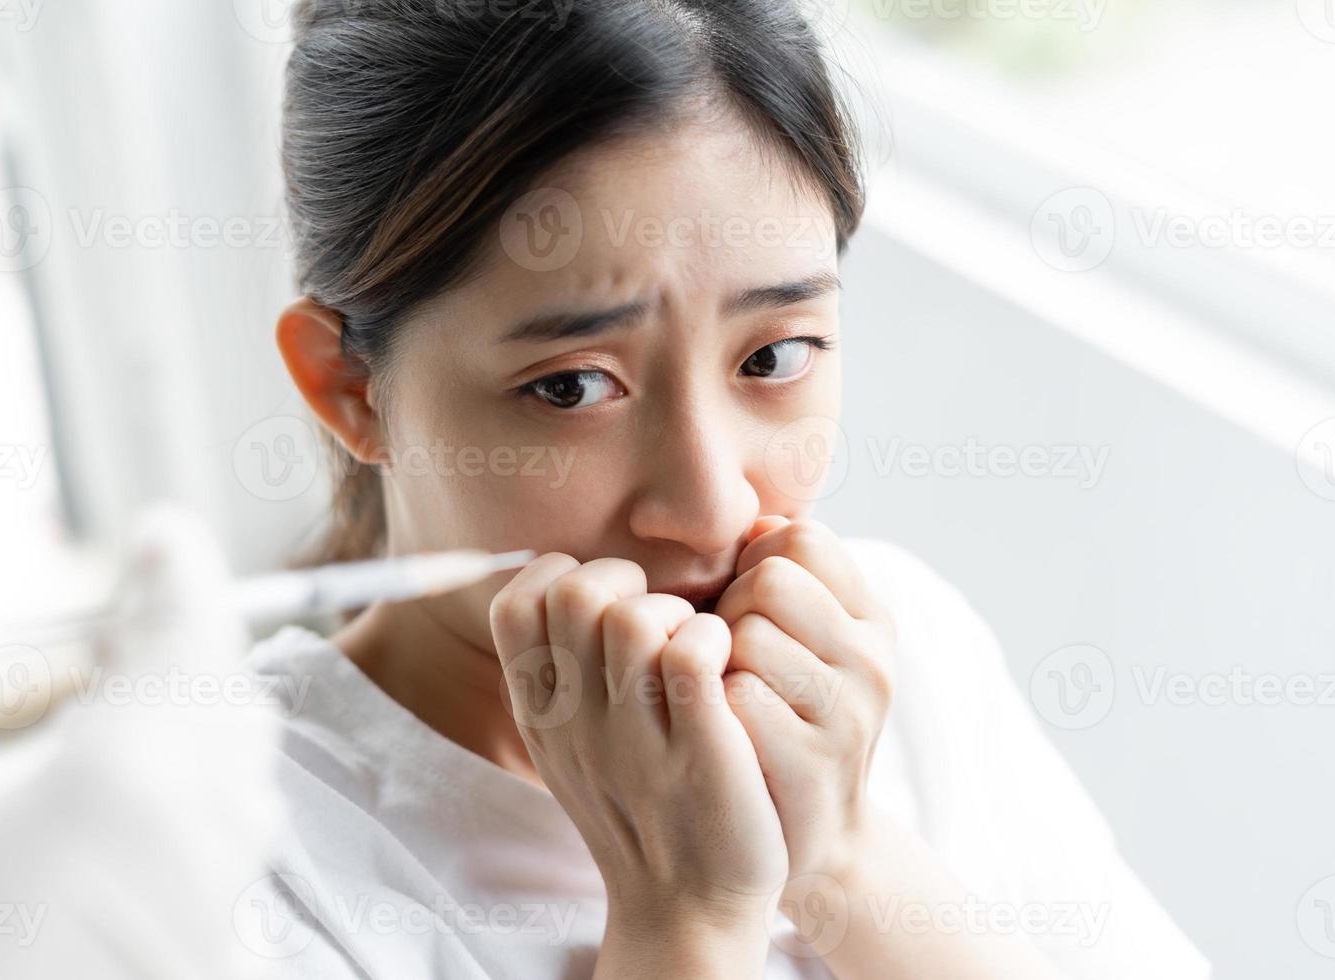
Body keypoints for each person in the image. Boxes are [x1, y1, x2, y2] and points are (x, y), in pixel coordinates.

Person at [243, 1, 1211, 976]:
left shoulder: (907, 652)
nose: (714, 508)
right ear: (352, 386)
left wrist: (843, 861)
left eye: (774, 355)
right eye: (573, 385)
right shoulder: (236, 859)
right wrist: (686, 919)